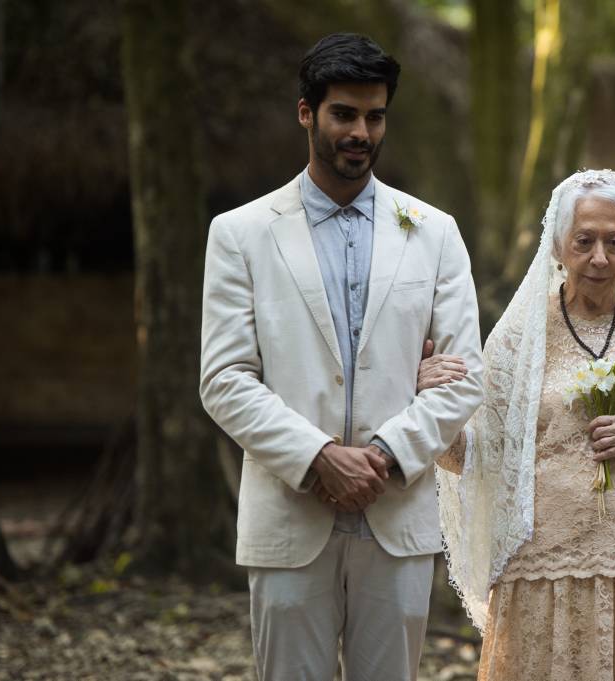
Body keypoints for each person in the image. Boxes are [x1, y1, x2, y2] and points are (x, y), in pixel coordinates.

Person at [199, 33, 483, 681]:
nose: (361, 131)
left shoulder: (434, 232)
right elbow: (223, 378)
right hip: (289, 511)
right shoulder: (240, 234)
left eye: (375, 116)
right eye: (344, 114)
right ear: (307, 112)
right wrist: (319, 456)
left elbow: (465, 374)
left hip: (397, 509)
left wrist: (383, 454)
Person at [424, 169, 615, 680]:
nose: (600, 258)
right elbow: (474, 453)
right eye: (584, 241)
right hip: (542, 565)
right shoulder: (519, 338)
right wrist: (432, 405)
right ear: (558, 247)